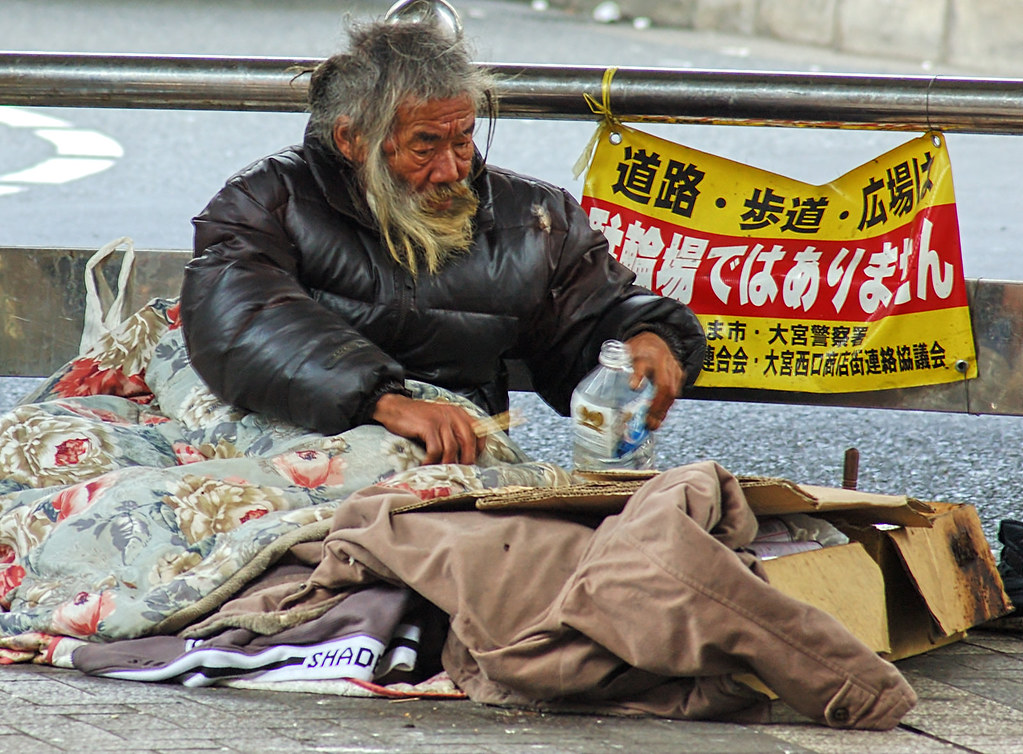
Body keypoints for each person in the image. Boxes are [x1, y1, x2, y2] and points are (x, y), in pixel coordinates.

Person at [179, 13, 705, 465]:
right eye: (424, 145)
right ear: (352, 139)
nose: (452, 169)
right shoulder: (268, 200)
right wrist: (383, 402)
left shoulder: (536, 220)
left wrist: (646, 336)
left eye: (463, 138)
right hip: (301, 440)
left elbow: (591, 316)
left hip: (449, 457)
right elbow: (240, 314)